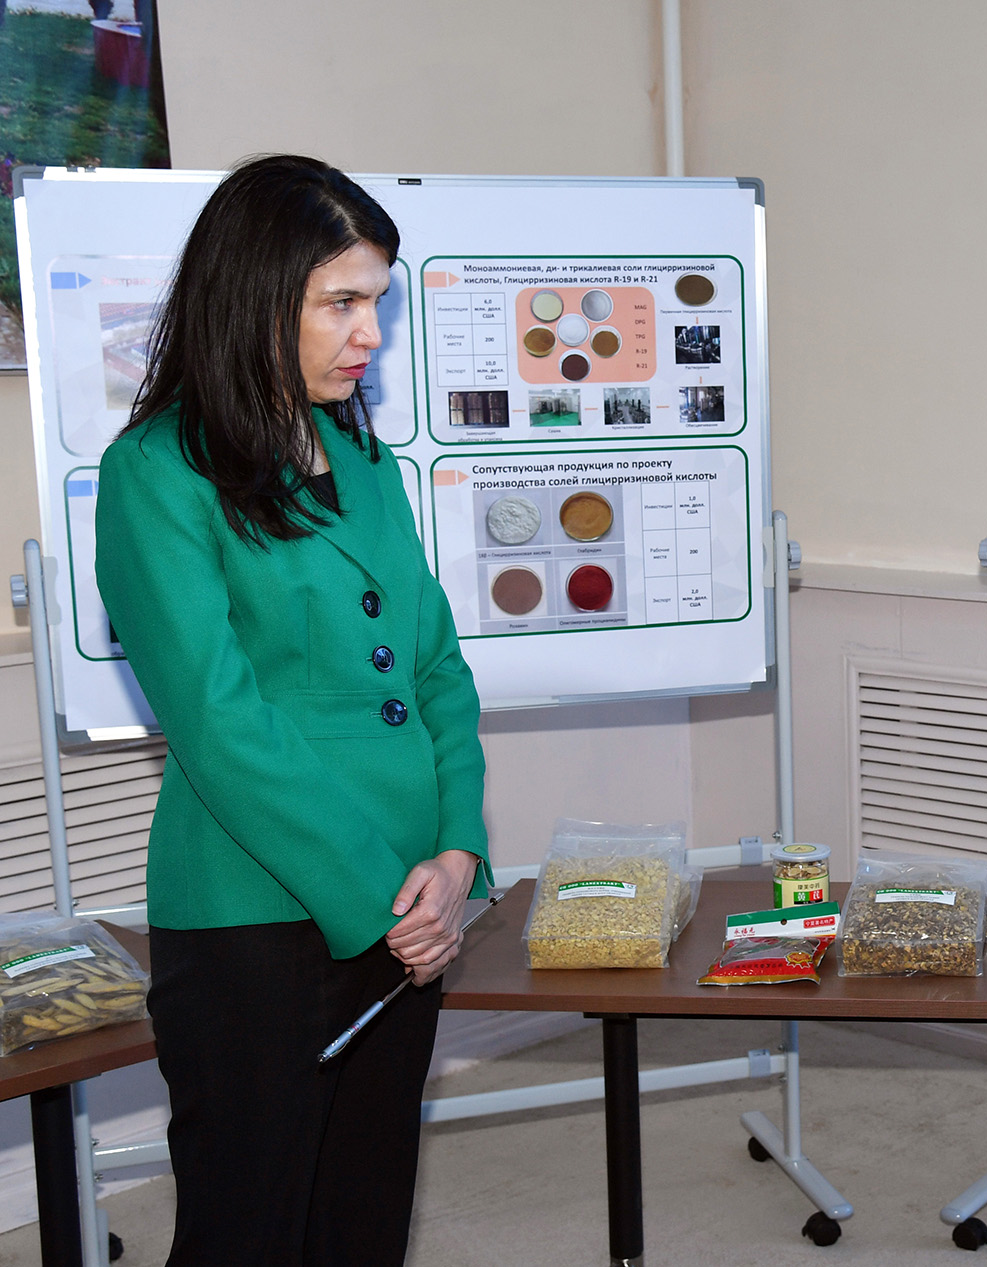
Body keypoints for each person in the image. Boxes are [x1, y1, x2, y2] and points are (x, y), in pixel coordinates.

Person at [95, 155, 490, 1266]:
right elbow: (220, 724)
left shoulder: (368, 460)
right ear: (255, 296)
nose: (368, 331)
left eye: (377, 301)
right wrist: (393, 895)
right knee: (248, 1228)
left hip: (412, 899)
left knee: (362, 1218)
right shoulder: (156, 473)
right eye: (341, 302)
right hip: (256, 915)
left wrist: (456, 855)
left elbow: (437, 671)